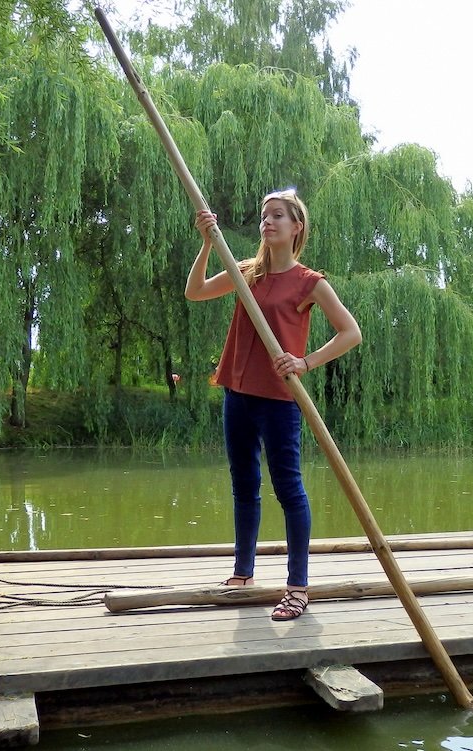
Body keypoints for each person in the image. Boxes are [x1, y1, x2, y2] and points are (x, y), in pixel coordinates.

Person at [185, 189, 362, 621]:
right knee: (244, 484)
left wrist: (305, 361)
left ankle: (298, 587)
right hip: (237, 393)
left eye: (278, 215)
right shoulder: (247, 271)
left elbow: (350, 332)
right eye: (264, 216)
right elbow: (195, 292)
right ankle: (242, 575)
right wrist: (208, 242)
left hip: (279, 400)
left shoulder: (310, 282)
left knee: (288, 489)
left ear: (296, 226)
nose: (268, 221)